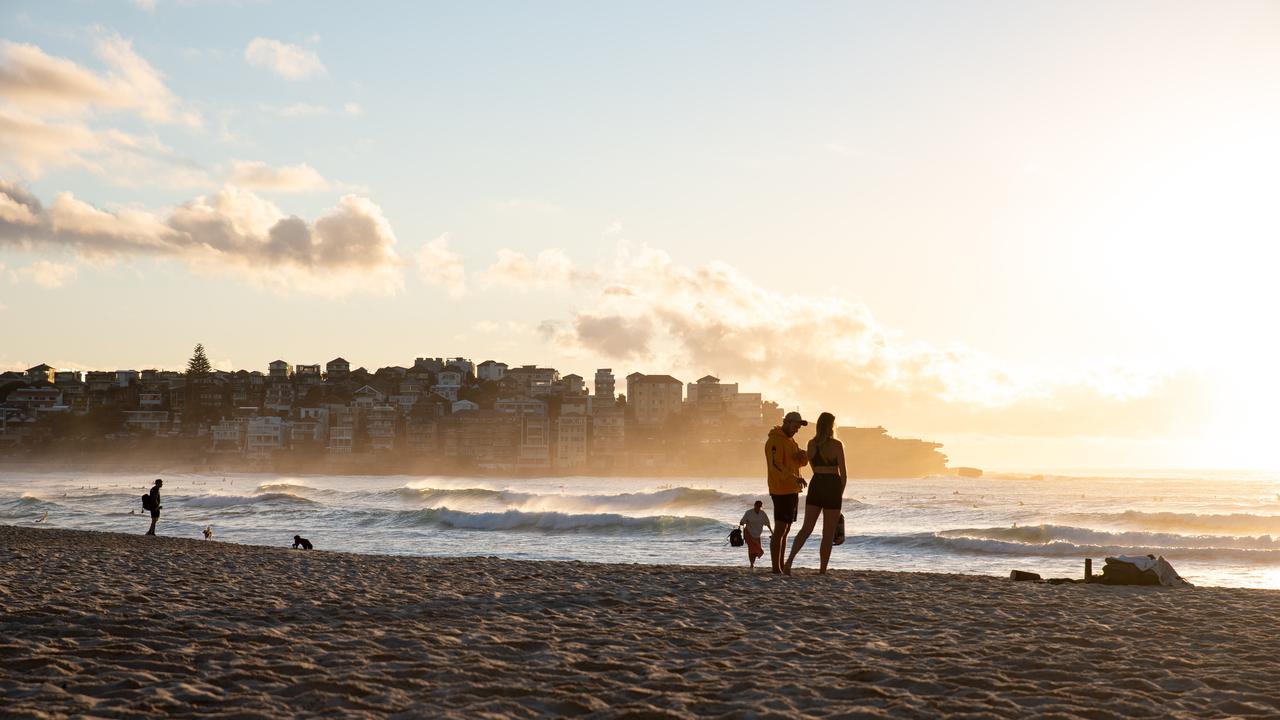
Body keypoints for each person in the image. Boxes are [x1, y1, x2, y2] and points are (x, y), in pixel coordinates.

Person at [784, 412, 847, 575]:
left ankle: (789, 561)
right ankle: (822, 570)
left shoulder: (811, 444)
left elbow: (811, 467)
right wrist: (838, 494)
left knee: (806, 528)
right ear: (831, 426)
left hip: (817, 484)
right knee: (828, 533)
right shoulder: (837, 445)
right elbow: (844, 474)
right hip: (832, 485)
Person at [765, 411, 809, 573]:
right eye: (795, 426)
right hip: (780, 489)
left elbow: (798, 464)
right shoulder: (774, 441)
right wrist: (793, 478)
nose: (797, 429)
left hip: (792, 489)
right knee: (780, 529)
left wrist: (803, 457)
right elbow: (775, 466)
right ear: (787, 422)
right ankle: (776, 567)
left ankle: (781, 565)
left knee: (786, 530)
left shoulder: (791, 441)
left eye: (798, 427)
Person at [738, 500, 772, 569]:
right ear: (754, 505)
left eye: (760, 506)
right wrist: (744, 522)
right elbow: (741, 522)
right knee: (751, 549)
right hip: (748, 533)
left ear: (761, 506)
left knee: (756, 550)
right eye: (757, 506)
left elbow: (768, 524)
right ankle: (751, 564)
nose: (758, 507)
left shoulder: (762, 514)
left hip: (757, 535)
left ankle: (752, 563)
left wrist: (772, 532)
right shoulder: (749, 512)